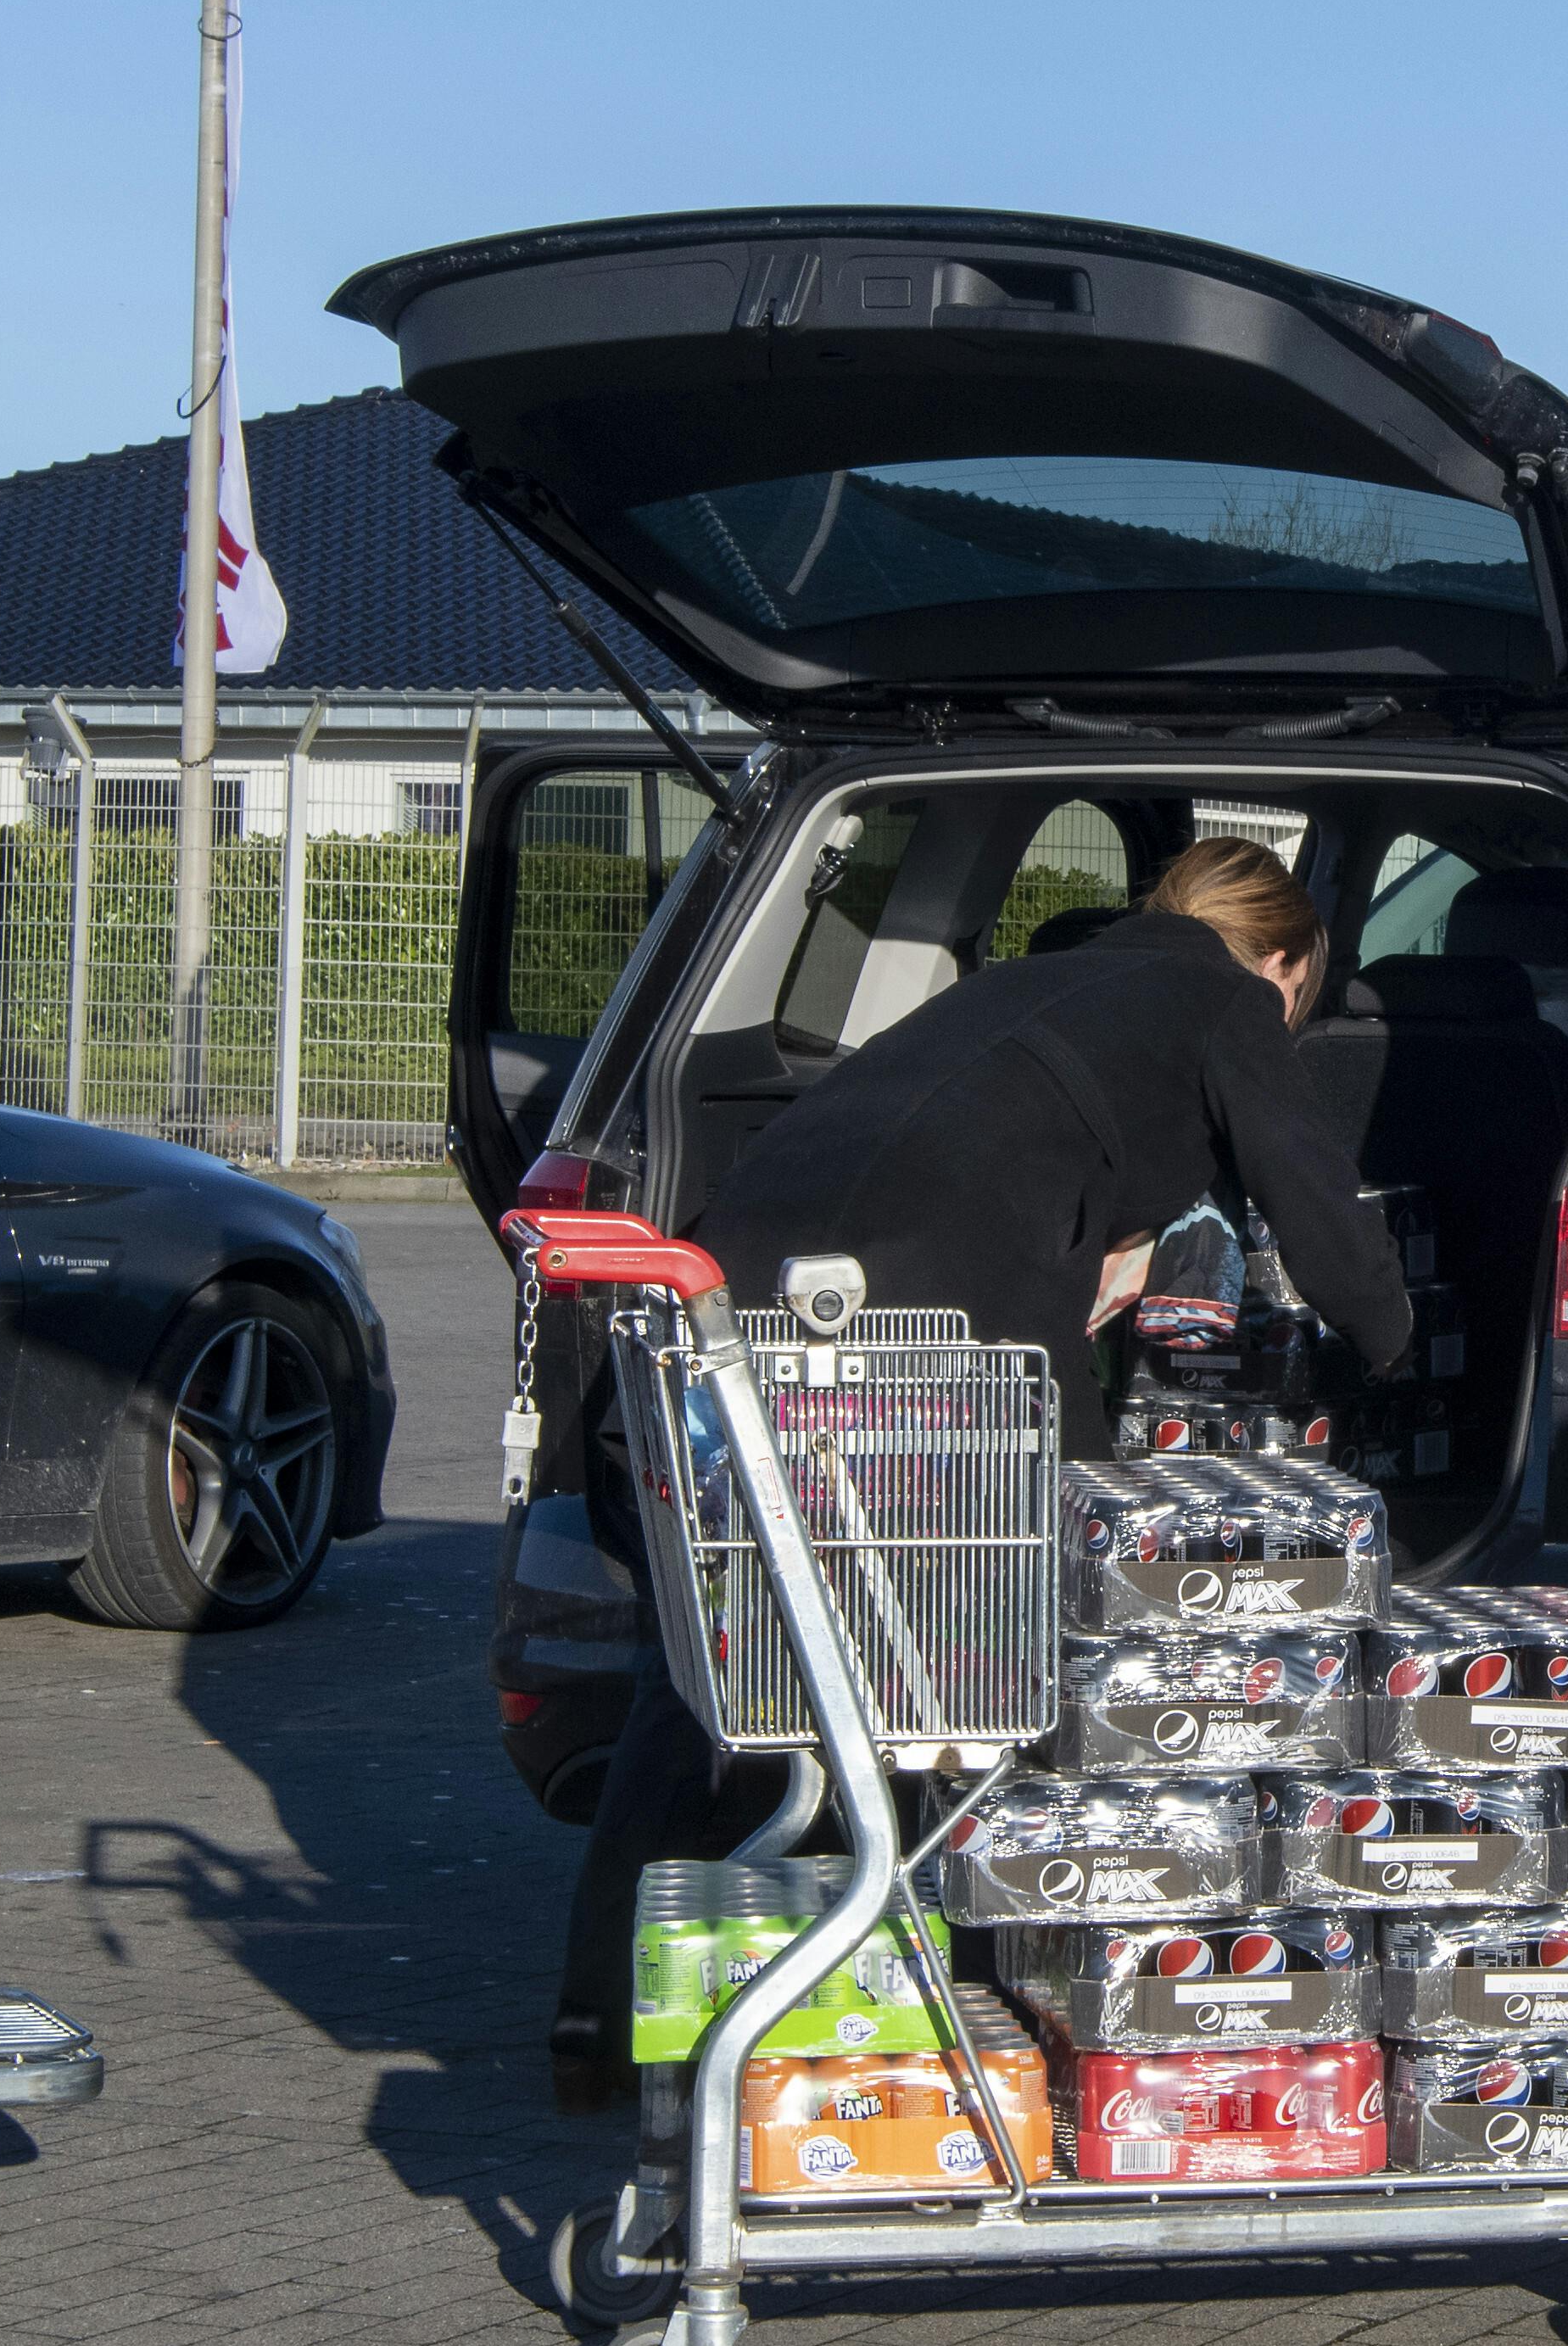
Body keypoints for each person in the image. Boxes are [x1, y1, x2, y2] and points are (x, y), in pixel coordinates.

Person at [545, 837, 1412, 2101]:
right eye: (1301, 993)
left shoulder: (1023, 983)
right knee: (1024, 1641)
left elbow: (997, 1149)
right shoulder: (1226, 999)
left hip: (735, 1301)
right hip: (926, 1341)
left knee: (730, 1653)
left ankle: (596, 2022)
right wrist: (1395, 1348)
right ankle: (1015, 1997)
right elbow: (1313, 1204)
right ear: (1283, 961)